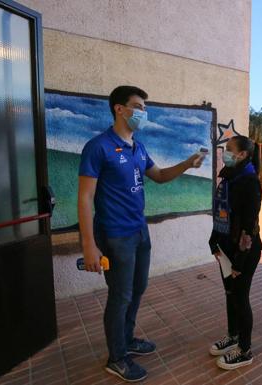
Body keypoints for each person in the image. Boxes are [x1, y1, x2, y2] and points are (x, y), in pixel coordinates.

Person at [78, 86, 204, 382]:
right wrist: (88, 246)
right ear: (119, 109)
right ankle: (117, 357)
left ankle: (127, 339)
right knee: (120, 296)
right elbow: (84, 198)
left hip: (139, 231)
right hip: (114, 235)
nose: (143, 113)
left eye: (145, 108)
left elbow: (159, 176)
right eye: (138, 106)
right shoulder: (98, 147)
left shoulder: (138, 147)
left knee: (137, 289)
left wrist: (187, 163)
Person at [208, 136, 262, 370]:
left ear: (242, 155)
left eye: (229, 150)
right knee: (230, 294)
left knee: (241, 299)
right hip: (226, 250)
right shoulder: (228, 177)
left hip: (244, 253)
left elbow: (249, 226)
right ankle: (233, 336)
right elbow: (222, 212)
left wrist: (239, 261)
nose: (225, 153)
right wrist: (214, 242)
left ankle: (245, 350)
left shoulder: (249, 182)